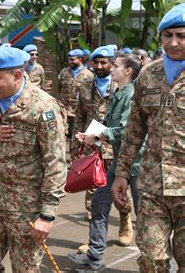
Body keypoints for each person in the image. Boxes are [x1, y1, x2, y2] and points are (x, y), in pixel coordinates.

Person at [0, 46, 67, 272]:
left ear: (17, 76)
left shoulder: (43, 107)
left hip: (26, 209)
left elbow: (55, 162)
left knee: (25, 268)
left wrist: (48, 214)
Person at [111, 3, 185, 272]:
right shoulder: (148, 74)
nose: (173, 42)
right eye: (168, 35)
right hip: (153, 185)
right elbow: (134, 128)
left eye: (181, 35)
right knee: (152, 260)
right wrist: (121, 174)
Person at [68, 53, 143, 270]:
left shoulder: (131, 96)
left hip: (136, 163)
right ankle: (95, 256)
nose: (111, 69)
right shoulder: (119, 92)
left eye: (116, 66)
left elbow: (127, 129)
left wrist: (99, 136)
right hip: (120, 160)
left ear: (128, 71)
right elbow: (109, 124)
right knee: (99, 202)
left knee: (144, 215)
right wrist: (90, 135)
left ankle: (155, 263)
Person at [58, 49, 94, 139]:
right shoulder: (64, 72)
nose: (70, 62)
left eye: (73, 59)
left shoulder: (88, 75)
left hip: (78, 112)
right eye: (69, 59)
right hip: (64, 110)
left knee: (76, 137)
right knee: (62, 135)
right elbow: (59, 87)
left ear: (80, 59)